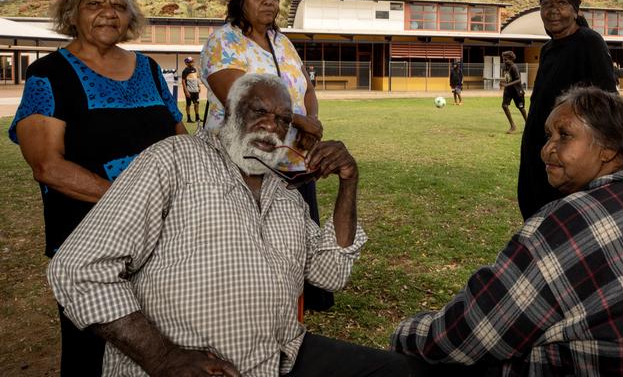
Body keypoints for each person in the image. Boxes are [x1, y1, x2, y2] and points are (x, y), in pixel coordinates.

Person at [47, 74, 428, 377]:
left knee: (396, 369)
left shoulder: (287, 195)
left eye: (282, 120)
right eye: (258, 112)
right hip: (189, 364)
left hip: (282, 356)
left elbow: (329, 274)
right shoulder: (174, 159)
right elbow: (77, 268)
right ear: (229, 113)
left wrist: (349, 182)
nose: (271, 127)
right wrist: (162, 357)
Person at [392, 86, 623, 375]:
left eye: (564, 135)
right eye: (548, 136)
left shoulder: (569, 223)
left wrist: (404, 334)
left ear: (609, 148)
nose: (545, 150)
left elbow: (469, 334)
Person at [8, 0, 185, 376]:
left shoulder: (150, 69)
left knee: (161, 337)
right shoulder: (48, 74)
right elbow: (47, 166)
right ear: (72, 12)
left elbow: (181, 142)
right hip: (90, 244)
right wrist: (137, 203)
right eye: (95, 4)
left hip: (161, 239)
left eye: (119, 5)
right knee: (95, 347)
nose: (109, 12)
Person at [201, 0, 332, 311]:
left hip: (293, 157)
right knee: (255, 240)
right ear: (239, 0)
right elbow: (239, 98)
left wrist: (312, 121)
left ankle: (300, 298)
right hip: (247, 162)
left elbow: (306, 86)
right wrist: (298, 119)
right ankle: (254, 302)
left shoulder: (282, 42)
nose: (269, 1)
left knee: (296, 231)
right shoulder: (224, 42)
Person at [518, 0, 616, 220]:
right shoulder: (548, 49)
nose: (553, 11)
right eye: (546, 4)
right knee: (535, 214)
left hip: (569, 154)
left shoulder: (589, 42)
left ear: (575, 10)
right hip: (538, 151)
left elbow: (607, 102)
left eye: (561, 3)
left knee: (564, 223)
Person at [500, 50, 527, 133]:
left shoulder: (514, 67)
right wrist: (503, 83)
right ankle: (513, 126)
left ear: (511, 59)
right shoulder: (504, 67)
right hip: (508, 90)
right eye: (503, 59)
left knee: (521, 108)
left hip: (517, 90)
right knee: (504, 105)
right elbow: (507, 78)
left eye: (506, 59)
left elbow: (519, 80)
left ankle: (528, 125)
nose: (504, 61)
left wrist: (507, 85)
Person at [181, 56, 201, 122]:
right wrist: (186, 91)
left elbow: (196, 78)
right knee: (188, 104)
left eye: (192, 61)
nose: (191, 63)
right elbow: (183, 81)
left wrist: (199, 86)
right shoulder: (185, 71)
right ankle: (189, 119)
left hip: (195, 90)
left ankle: (197, 118)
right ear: (186, 63)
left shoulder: (194, 69)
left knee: (197, 104)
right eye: (189, 62)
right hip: (189, 90)